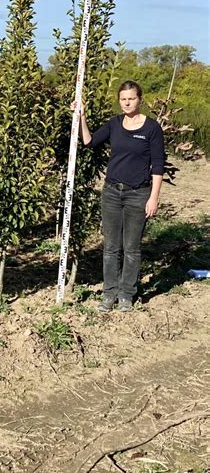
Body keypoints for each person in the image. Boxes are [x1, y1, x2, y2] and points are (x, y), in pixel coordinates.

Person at [77, 81, 165, 312]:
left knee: (132, 248)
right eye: (123, 99)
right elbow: (89, 141)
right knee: (111, 248)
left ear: (140, 99)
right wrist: (81, 116)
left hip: (138, 194)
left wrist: (153, 198)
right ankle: (109, 293)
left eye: (131, 98)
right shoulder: (114, 124)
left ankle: (127, 294)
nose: (127, 103)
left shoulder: (151, 129)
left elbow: (157, 166)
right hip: (112, 193)